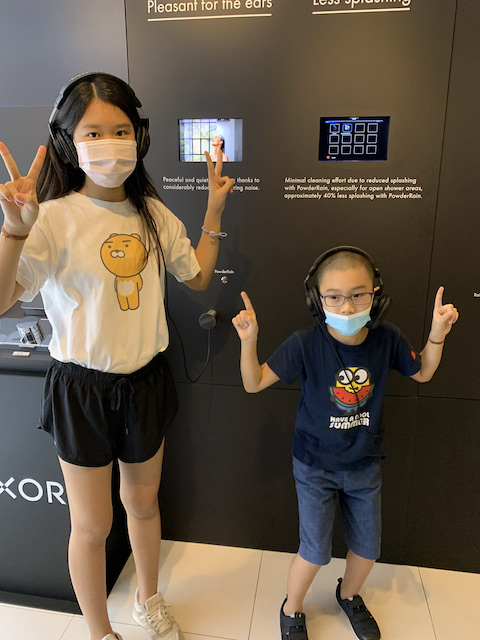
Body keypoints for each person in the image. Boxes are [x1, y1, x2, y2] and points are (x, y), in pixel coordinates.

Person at [0, 71, 234, 640]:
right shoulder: (52, 217)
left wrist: (214, 210)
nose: (110, 143)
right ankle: (100, 632)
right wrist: (13, 232)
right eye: (93, 132)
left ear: (139, 137)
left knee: (144, 504)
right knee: (91, 525)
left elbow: (199, 277)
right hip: (81, 388)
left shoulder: (153, 214)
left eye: (121, 130)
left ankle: (148, 600)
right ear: (68, 143)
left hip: (145, 381)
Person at [232, 246, 458, 640]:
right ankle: (291, 607)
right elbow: (254, 383)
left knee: (368, 549)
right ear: (316, 300)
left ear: (376, 294)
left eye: (358, 294)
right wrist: (248, 341)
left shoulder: (387, 338)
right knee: (314, 552)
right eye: (334, 296)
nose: (348, 306)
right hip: (314, 465)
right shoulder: (304, 343)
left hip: (364, 463)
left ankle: (349, 595)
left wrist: (437, 334)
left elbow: (422, 372)